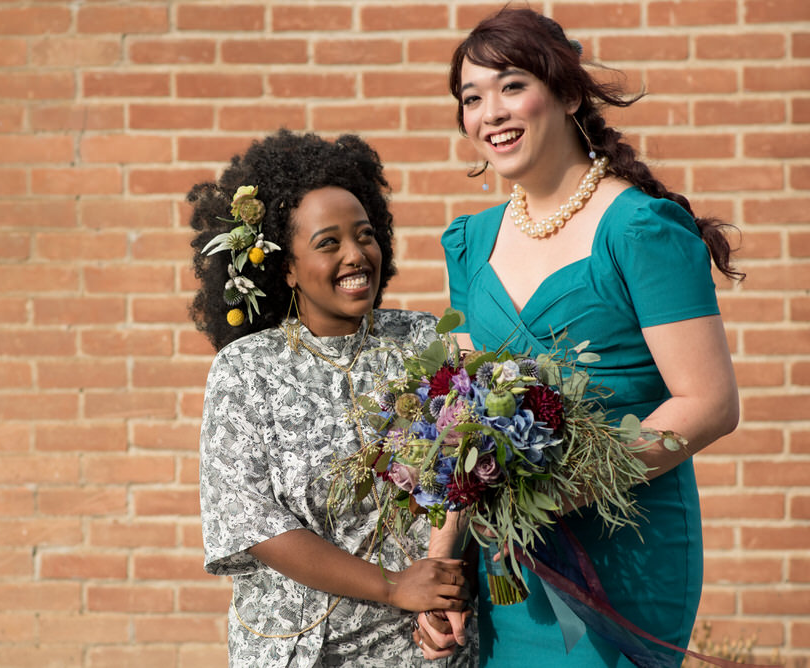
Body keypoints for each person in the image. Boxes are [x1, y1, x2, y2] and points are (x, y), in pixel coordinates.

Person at [420, 7, 742, 666]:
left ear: (567, 94)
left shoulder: (641, 230)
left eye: (512, 86)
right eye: (471, 98)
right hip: (509, 566)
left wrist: (552, 493)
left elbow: (710, 404)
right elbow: (460, 423)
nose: (490, 113)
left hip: (627, 554)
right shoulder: (468, 243)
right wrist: (439, 575)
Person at [191, 129, 476, 667]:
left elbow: (463, 469)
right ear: (286, 268)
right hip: (295, 651)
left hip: (418, 645)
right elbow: (253, 521)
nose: (356, 254)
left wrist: (439, 592)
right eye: (328, 242)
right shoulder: (246, 370)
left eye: (365, 235)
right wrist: (394, 586)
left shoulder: (421, 341)